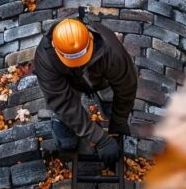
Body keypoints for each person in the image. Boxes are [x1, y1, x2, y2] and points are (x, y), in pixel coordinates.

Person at [33, 18, 138, 168]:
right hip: (68, 82)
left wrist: (120, 118)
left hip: (100, 77)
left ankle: (107, 101)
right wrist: (100, 138)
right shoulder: (45, 60)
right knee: (64, 112)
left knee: (111, 97)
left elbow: (126, 86)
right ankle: (63, 123)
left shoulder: (111, 50)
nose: (80, 65)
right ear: (55, 49)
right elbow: (62, 102)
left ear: (90, 38)